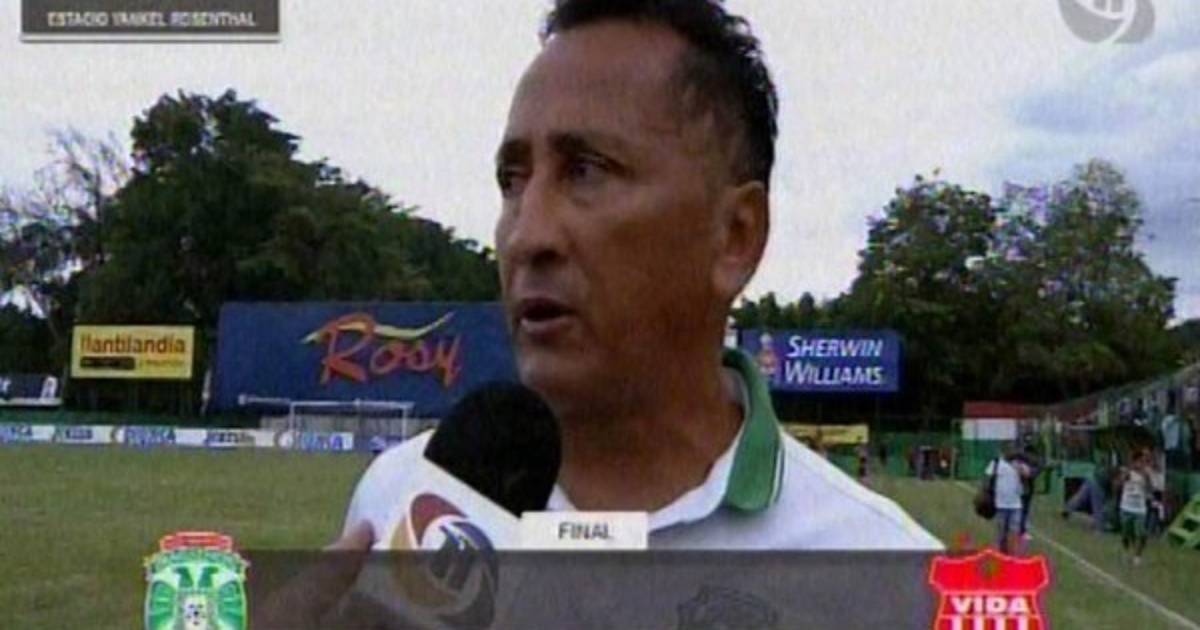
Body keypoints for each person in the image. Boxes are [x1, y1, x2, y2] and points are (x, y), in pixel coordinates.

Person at [339, 0, 940, 552]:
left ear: (735, 236)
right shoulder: (399, 507)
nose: (526, 236)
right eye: (512, 181)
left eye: (586, 170)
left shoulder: (886, 572)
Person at [985, 445, 1028, 555]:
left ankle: (1013, 554)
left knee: (1014, 531)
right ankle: (999, 553)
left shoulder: (1019, 464)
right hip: (1001, 504)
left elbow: (1027, 474)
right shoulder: (996, 463)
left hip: (1016, 505)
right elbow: (988, 477)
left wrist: (1020, 469)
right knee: (1001, 532)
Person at [1118, 449, 1151, 565]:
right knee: (1126, 534)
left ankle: (1137, 556)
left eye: (1143, 462)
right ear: (1134, 462)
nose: (1141, 464)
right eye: (1139, 461)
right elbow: (1119, 484)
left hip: (1140, 509)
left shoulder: (1146, 474)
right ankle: (1126, 551)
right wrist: (1125, 474)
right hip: (1126, 507)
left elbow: (1150, 489)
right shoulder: (1128, 472)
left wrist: (1146, 479)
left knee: (1141, 533)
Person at [1016, 441, 1042, 542]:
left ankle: (1021, 530)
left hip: (1026, 488)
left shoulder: (1033, 463)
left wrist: (1029, 472)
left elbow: (1034, 472)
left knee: (1023, 509)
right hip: (1020, 488)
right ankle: (1020, 530)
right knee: (1021, 509)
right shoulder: (1019, 461)